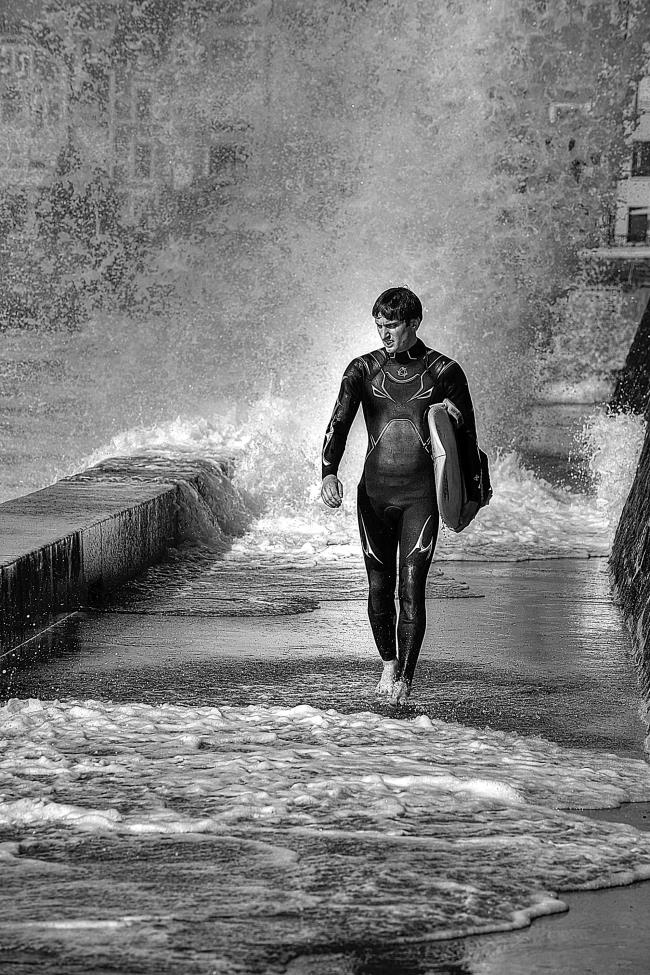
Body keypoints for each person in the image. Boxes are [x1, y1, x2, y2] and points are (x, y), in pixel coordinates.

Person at [321, 286, 482, 704]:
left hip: (421, 499)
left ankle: (405, 681)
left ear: (413, 323)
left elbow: (466, 441)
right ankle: (388, 663)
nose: (383, 333)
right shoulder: (363, 369)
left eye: (391, 325)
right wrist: (328, 472)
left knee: (411, 587)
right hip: (373, 496)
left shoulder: (444, 372)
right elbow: (339, 422)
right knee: (378, 588)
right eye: (378, 325)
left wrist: (472, 497)